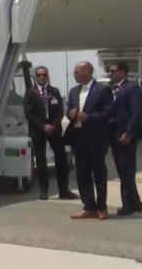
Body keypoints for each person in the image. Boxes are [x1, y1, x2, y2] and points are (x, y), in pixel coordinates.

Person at [66, 61, 113, 220]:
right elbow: (68, 110)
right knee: (82, 173)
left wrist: (89, 117)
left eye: (76, 71)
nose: (74, 74)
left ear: (86, 72)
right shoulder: (73, 91)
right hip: (79, 137)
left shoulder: (102, 90)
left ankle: (102, 207)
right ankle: (89, 206)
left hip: (97, 137)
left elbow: (108, 113)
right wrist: (70, 114)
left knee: (99, 172)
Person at [23, 66, 78, 201]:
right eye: (39, 75)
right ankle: (43, 191)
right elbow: (29, 113)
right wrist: (43, 126)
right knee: (41, 162)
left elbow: (60, 111)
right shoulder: (30, 93)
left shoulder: (54, 91)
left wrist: (53, 126)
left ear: (48, 76)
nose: (41, 77)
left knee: (61, 159)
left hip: (55, 129)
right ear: (36, 77)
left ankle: (64, 190)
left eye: (44, 74)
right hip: (38, 130)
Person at [109, 62, 142, 216]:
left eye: (113, 71)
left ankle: (127, 205)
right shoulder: (115, 89)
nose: (110, 74)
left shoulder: (132, 87)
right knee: (123, 170)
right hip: (115, 134)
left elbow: (138, 112)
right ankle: (136, 203)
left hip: (126, 135)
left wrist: (129, 132)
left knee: (126, 170)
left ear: (123, 72)